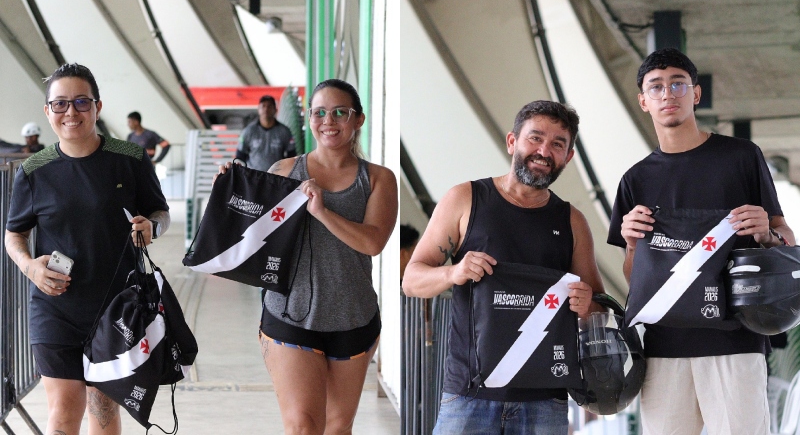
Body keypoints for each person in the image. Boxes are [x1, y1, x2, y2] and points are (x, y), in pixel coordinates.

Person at [607, 47, 795, 435]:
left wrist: (766, 232)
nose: (667, 94)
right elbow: (635, 277)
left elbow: (786, 240)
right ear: (643, 101)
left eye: (677, 83)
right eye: (655, 87)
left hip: (736, 342)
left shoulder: (741, 157)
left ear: (695, 93)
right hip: (662, 349)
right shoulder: (635, 180)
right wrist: (630, 243)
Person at [402, 100, 605, 434]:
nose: (544, 151)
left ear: (568, 158)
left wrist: (587, 306)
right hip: (469, 395)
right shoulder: (464, 199)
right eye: (535, 138)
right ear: (512, 141)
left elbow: (598, 306)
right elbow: (411, 280)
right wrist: (453, 272)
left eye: (557, 144)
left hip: (545, 398)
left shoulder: (573, 221)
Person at [215, 79, 397, 433]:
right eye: (320, 112)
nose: (329, 120)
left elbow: (373, 242)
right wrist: (230, 188)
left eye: (340, 112)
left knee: (337, 427)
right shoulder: (283, 172)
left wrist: (322, 211)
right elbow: (252, 236)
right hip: (289, 314)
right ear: (310, 118)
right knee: (301, 426)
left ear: (358, 119)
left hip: (352, 317)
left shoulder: (377, 179)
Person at [4, 63, 170, 435]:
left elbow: (160, 212)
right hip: (54, 308)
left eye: (81, 102)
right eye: (60, 104)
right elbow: (13, 234)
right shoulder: (34, 169)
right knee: (63, 413)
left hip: (116, 309)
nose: (71, 113)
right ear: (47, 111)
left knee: (104, 411)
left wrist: (152, 227)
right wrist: (30, 267)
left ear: (97, 105)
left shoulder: (130, 157)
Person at [234, 94, 295, 172]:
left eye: (269, 106)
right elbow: (240, 156)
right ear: (258, 109)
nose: (266, 109)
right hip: (253, 176)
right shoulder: (249, 131)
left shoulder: (284, 131)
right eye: (263, 106)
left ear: (275, 110)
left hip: (276, 176)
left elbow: (291, 155)